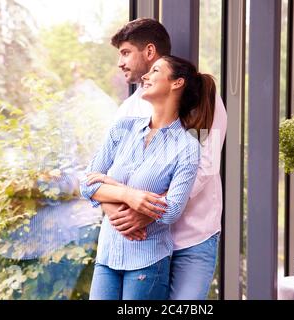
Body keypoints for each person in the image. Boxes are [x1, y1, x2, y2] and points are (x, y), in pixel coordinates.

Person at [91, 18, 227, 300]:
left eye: (126, 52)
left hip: (192, 238)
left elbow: (203, 166)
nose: (120, 62)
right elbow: (98, 176)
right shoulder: (128, 111)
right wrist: (119, 208)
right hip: (140, 243)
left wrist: (147, 210)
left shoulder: (199, 102)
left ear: (150, 51)